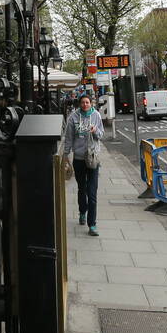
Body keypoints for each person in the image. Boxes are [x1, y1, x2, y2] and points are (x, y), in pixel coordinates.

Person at [65, 93, 105, 236]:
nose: (85, 105)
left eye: (87, 102)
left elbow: (101, 134)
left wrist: (95, 132)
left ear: (91, 103)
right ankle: (82, 211)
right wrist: (65, 155)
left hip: (93, 158)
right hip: (79, 159)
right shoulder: (73, 118)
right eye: (83, 102)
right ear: (79, 104)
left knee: (92, 192)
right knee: (82, 188)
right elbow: (68, 138)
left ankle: (92, 224)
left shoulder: (97, 116)